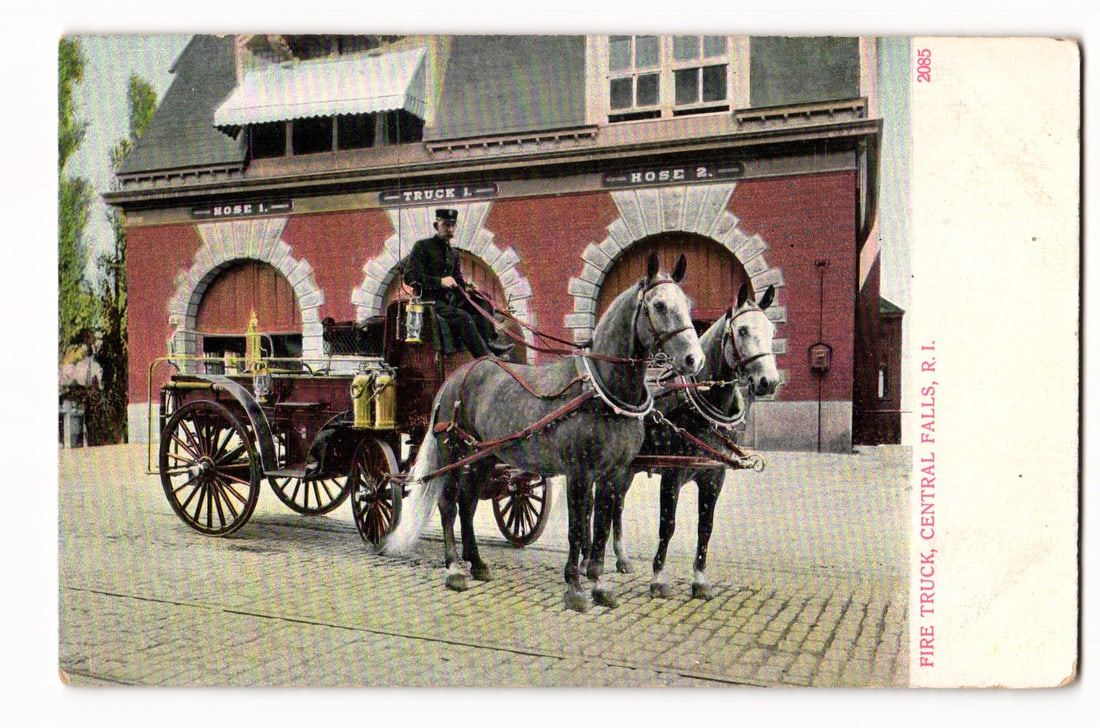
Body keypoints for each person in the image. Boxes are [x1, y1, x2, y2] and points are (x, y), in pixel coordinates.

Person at [403, 208, 514, 358]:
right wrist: (439, 282)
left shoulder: (453, 253)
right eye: (445, 225)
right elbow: (410, 276)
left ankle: (490, 344)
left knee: (483, 303)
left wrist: (467, 289)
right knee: (463, 317)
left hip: (450, 301)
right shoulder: (422, 246)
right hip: (429, 302)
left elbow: (457, 279)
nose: (449, 229)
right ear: (437, 226)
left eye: (452, 225)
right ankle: (484, 356)